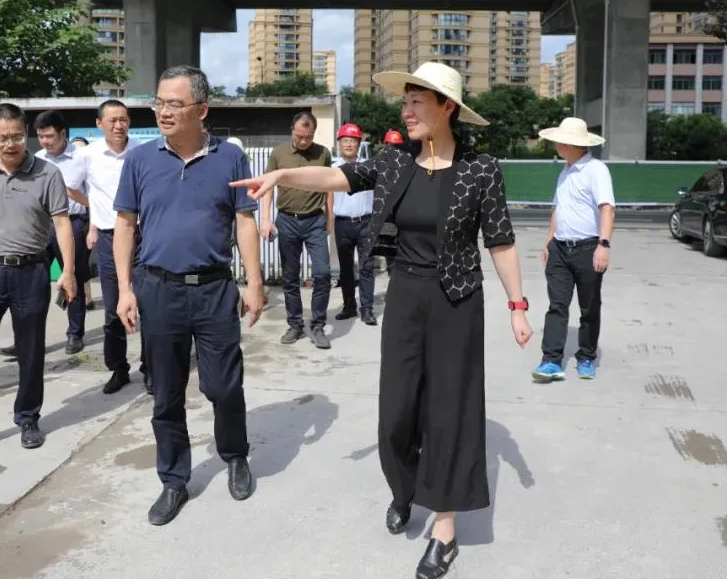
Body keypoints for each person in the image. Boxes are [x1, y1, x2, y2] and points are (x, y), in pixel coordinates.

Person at [231, 61, 533, 579]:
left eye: (418, 102)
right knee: (396, 413)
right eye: (405, 102)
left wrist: (518, 304)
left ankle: (444, 530)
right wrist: (281, 175)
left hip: (458, 300)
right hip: (407, 296)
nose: (407, 111)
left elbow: (500, 240)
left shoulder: (480, 169)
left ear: (447, 108)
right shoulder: (394, 161)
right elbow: (335, 177)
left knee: (450, 412)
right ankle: (405, 488)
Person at [113, 65, 265, 527]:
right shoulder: (140, 160)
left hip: (215, 289)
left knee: (223, 385)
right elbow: (125, 225)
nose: (163, 111)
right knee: (166, 391)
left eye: (174, 104)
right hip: (158, 289)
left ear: (201, 110)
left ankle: (235, 455)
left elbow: (244, 221)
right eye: (159, 102)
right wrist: (124, 289)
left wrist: (254, 282)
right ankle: (174, 480)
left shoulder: (229, 157)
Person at [0, 103, 77, 457]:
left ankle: (27, 417)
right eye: (2, 138)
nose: (10, 144)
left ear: (25, 133)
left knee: (30, 350)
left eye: (16, 136)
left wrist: (68, 271)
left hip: (31, 271)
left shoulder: (48, 173)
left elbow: (62, 224)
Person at [0, 110, 90, 357]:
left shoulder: (83, 158)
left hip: (72, 223)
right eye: (40, 136)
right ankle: (25, 339)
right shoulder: (36, 159)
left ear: (63, 134)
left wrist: (91, 224)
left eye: (50, 136)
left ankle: (75, 333)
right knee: (30, 282)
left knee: (71, 278)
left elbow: (93, 195)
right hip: (39, 225)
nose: (45, 141)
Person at [532, 117, 616, 382]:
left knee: (589, 307)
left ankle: (586, 356)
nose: (556, 145)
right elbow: (558, 209)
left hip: (588, 249)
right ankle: (551, 360)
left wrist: (603, 245)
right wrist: (549, 241)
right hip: (559, 249)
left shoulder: (596, 170)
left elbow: (607, 209)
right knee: (557, 305)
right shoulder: (565, 171)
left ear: (569, 144)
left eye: (559, 141)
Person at [83, 100, 146, 394]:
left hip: (145, 235)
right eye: (112, 120)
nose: (119, 125)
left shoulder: (143, 152)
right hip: (109, 238)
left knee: (150, 305)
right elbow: (69, 185)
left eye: (123, 119)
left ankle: (151, 367)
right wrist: (95, 215)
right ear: (99, 124)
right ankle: (118, 368)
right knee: (113, 308)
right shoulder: (88, 155)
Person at [260, 112, 333, 349]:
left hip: (315, 221)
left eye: (308, 137)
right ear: (292, 129)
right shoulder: (278, 153)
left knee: (322, 273)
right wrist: (265, 219)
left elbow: (329, 185)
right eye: (300, 136)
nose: (303, 141)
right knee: (290, 277)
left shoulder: (323, 153)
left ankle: (318, 325)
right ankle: (295, 324)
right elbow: (268, 187)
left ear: (314, 133)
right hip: (287, 221)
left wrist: (330, 216)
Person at [331, 122, 377, 326]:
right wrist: (328, 220)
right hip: (342, 223)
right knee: (346, 268)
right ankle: (349, 306)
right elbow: (328, 195)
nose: (349, 144)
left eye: (353, 140)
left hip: (366, 222)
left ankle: (367, 309)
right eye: (345, 140)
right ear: (340, 143)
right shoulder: (333, 168)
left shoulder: (369, 166)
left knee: (366, 266)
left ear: (359, 143)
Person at [69, 136, 97, 310]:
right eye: (74, 148)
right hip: (58, 221)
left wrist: (92, 228)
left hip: (83, 220)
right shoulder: (62, 169)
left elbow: (95, 201)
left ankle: (87, 297)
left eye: (82, 148)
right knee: (68, 265)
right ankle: (70, 296)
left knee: (81, 262)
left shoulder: (92, 173)